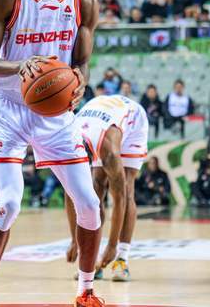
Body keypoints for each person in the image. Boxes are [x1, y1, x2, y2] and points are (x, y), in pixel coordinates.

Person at [0, 0, 103, 307]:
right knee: (9, 203)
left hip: (54, 113)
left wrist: (78, 82)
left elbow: (82, 62)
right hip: (7, 107)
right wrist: (20, 66)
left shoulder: (84, 2)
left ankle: (86, 290)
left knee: (90, 203)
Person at [67, 95, 149, 282]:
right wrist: (74, 241)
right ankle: (93, 259)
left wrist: (112, 246)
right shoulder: (68, 145)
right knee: (95, 189)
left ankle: (122, 259)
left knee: (126, 189)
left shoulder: (108, 151)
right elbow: (70, 196)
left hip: (132, 120)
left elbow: (120, 198)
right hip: (99, 120)